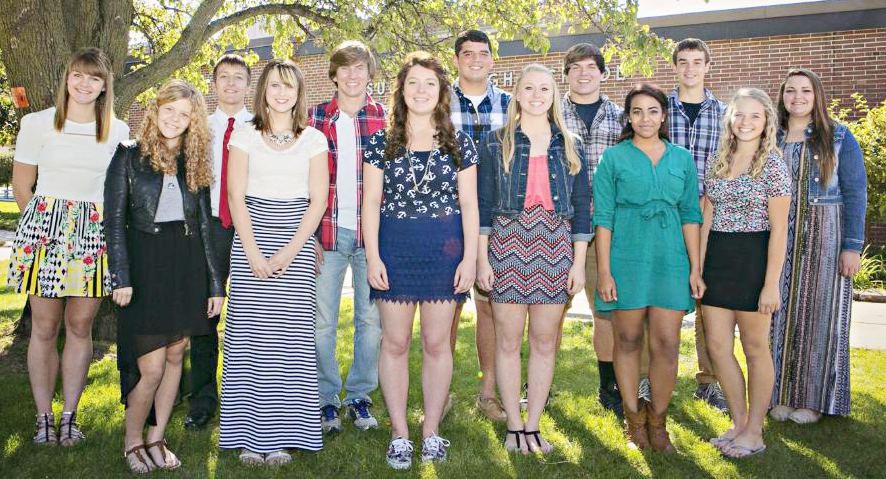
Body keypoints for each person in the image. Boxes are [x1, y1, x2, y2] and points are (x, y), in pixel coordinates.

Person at [7, 47, 129, 447]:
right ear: (66, 78)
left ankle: (70, 418)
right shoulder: (36, 123)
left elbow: (117, 191)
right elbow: (23, 186)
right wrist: (40, 228)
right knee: (44, 327)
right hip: (45, 230)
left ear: (104, 86)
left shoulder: (118, 130)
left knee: (80, 326)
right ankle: (44, 417)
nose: (84, 84)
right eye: (78, 75)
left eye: (94, 78)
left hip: (94, 233)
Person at [363, 51, 479, 469]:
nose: (421, 90)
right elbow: (371, 202)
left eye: (430, 83)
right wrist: (373, 255)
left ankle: (431, 430)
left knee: (435, 343)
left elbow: (469, 204)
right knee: (395, 342)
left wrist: (470, 257)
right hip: (394, 250)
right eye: (413, 83)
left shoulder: (459, 142)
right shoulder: (381, 142)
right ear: (402, 90)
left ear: (441, 91)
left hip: (444, 253)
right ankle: (399, 433)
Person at [104, 79, 225, 473]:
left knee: (177, 356)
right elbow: (114, 222)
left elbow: (205, 228)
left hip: (185, 263)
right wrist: (120, 276)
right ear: (156, 110)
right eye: (169, 110)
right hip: (144, 264)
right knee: (151, 367)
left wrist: (213, 285)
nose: (176, 119)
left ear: (194, 121)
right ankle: (131, 440)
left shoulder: (194, 162)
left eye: (185, 114)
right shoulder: (127, 157)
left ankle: (157, 439)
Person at [218, 60, 329, 465]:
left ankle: (283, 436)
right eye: (275, 86)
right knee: (250, 341)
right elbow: (235, 196)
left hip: (295, 240)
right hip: (251, 236)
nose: (282, 93)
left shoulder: (314, 140)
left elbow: (317, 201)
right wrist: (250, 251)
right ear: (263, 90)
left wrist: (288, 252)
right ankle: (248, 436)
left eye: (290, 87)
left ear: (299, 93)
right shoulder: (244, 136)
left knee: (289, 343)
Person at [477, 64, 591, 454]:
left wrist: (578, 264)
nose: (537, 94)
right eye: (529, 88)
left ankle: (534, 424)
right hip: (507, 246)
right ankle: (513, 426)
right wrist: (482, 261)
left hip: (556, 247)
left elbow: (581, 209)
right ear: (518, 94)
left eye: (545, 88)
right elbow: (482, 207)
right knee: (508, 342)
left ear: (554, 95)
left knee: (544, 343)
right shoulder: (496, 142)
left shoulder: (571, 143)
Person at [594, 83, 704, 453]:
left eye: (653, 111)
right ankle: (633, 420)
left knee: (667, 344)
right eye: (637, 111)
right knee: (626, 340)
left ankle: (658, 421)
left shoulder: (682, 158)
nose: (645, 118)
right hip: (627, 256)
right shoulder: (613, 158)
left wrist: (695, 267)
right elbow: (603, 218)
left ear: (663, 115)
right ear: (628, 117)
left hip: (670, 258)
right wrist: (605, 271)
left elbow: (691, 214)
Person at [769, 68, 867, 424]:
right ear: (782, 96)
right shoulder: (771, 135)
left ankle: (812, 400)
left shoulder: (838, 135)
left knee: (819, 318)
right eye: (790, 90)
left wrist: (852, 246)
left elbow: (856, 192)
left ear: (817, 95)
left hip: (825, 237)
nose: (797, 97)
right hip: (777, 237)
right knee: (777, 318)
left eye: (805, 91)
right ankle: (778, 394)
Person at [700, 88, 791, 458]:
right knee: (718, 347)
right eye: (739, 115)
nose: (746, 122)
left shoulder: (773, 165)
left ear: (766, 120)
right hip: (717, 260)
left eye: (754, 115)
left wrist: (771, 284)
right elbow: (706, 216)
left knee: (755, 349)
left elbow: (780, 230)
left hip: (754, 260)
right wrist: (698, 268)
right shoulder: (718, 159)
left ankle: (755, 431)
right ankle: (738, 423)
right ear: (730, 119)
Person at [308, 40, 386, 434]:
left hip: (372, 237)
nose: (353, 75)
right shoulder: (315, 119)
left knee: (370, 320)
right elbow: (302, 182)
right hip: (326, 234)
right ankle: (325, 400)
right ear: (334, 74)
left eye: (361, 67)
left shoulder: (386, 119)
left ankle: (359, 395)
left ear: (370, 73)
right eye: (346, 68)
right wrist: (308, 236)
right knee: (321, 322)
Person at [184, 53, 253, 432]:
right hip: (206, 228)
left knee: (246, 320)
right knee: (204, 319)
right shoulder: (199, 127)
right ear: (213, 84)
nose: (230, 83)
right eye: (223, 77)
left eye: (238, 77)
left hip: (248, 231)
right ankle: (203, 400)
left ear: (247, 84)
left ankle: (246, 399)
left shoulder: (259, 127)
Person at [662, 38, 729, 412]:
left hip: (711, 215)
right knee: (657, 296)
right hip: (665, 217)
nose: (690, 68)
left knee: (709, 301)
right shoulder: (659, 110)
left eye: (697, 61)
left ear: (708, 67)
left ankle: (709, 381)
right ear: (675, 67)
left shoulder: (724, 114)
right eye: (683, 61)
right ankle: (647, 377)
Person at [448, 29, 511, 422]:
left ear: (492, 60)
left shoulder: (511, 104)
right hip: (447, 217)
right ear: (456, 59)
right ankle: (445, 392)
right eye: (467, 53)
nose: (475, 60)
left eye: (482, 54)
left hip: (495, 219)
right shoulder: (437, 102)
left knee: (490, 310)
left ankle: (488, 395)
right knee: (446, 308)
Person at [559, 42, 624, 418]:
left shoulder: (620, 117)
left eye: (590, 67)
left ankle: (609, 386)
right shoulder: (549, 113)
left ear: (602, 73)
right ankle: (536, 384)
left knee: (605, 311)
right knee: (548, 311)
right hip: (557, 228)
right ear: (566, 74)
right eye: (575, 67)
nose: (584, 73)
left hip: (605, 229)